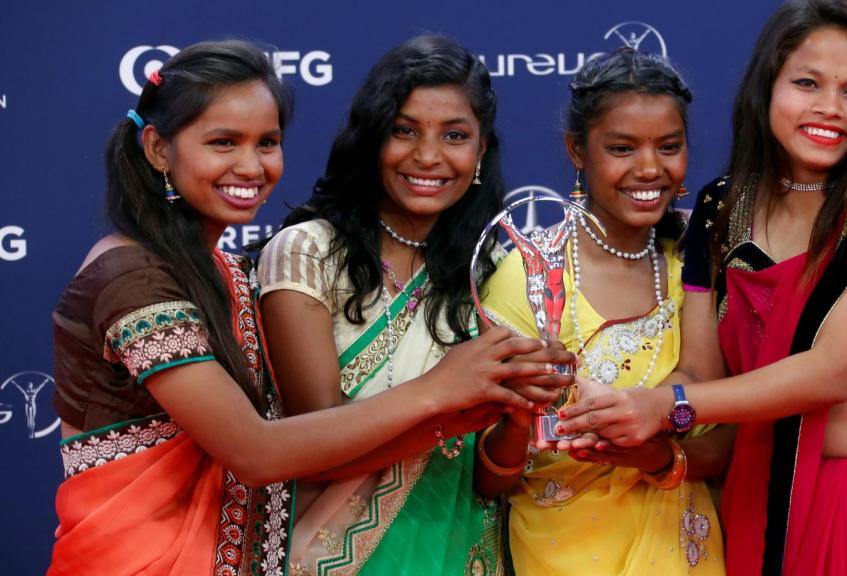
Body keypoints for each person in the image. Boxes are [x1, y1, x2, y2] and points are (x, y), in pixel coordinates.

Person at [49, 39, 556, 576]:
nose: (251, 165)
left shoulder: (221, 270)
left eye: (266, 142)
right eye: (224, 142)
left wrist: (477, 411)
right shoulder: (132, 278)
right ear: (157, 148)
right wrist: (439, 392)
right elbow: (257, 453)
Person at [556, 1, 847, 574]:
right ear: (767, 86)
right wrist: (613, 405)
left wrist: (665, 407)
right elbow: (701, 372)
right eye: (807, 83)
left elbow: (829, 373)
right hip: (763, 501)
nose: (830, 108)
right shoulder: (720, 209)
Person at [257, 35, 573, 576]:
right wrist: (445, 396)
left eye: (454, 135)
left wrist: (522, 412)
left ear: (480, 153)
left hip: (461, 552)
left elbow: (488, 480)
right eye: (404, 131)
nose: (428, 156)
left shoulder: (492, 266)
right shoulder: (308, 252)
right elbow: (315, 450)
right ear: (371, 140)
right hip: (333, 558)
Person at [478, 48, 729, 575]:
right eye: (621, 147)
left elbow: (728, 446)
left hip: (683, 548)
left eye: (669, 147)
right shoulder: (526, 277)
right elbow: (489, 476)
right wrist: (525, 419)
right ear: (577, 150)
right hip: (559, 553)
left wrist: (654, 454)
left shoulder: (698, 272)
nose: (649, 168)